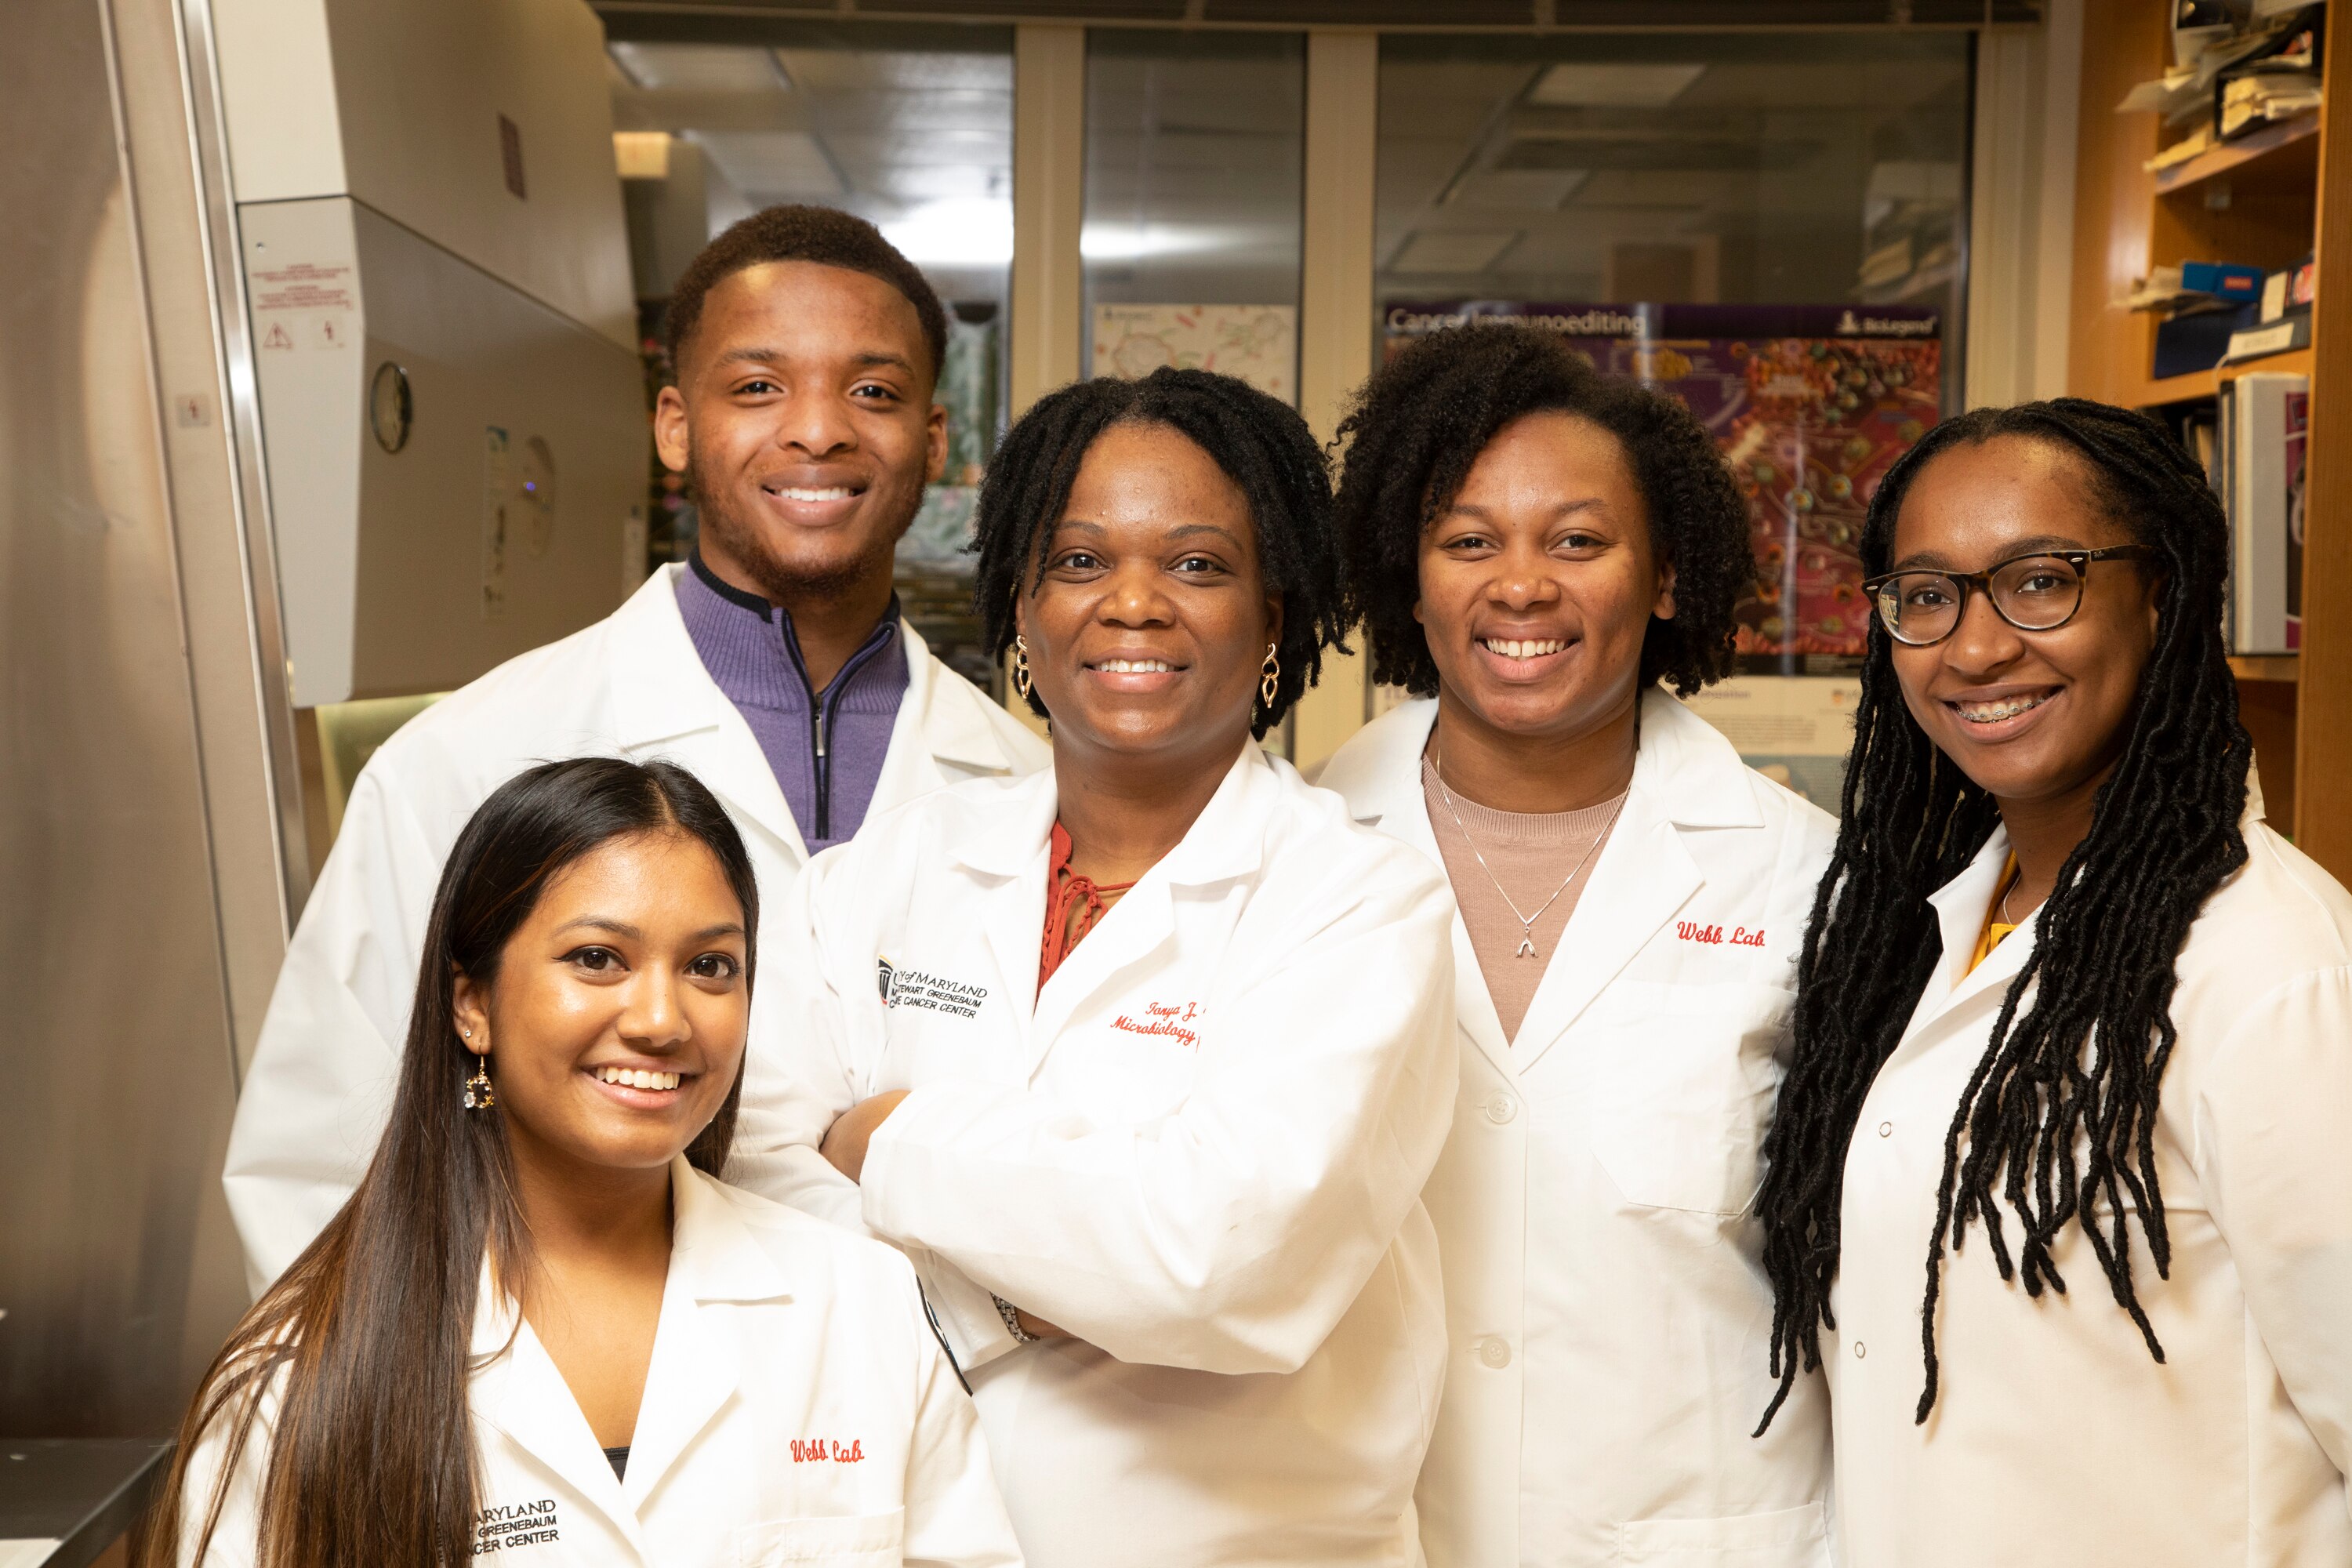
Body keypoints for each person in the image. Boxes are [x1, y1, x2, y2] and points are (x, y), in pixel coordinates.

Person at [224, 205, 1047, 1288]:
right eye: (757, 387)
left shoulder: (1028, 787)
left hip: (943, 1421)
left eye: (874, 391)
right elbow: (321, 1167)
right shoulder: (476, 757)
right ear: (673, 427)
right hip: (573, 1420)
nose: (817, 431)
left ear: (935, 443)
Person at [731, 367, 1458, 1568]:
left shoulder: (1358, 902)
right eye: (1078, 562)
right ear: (1020, 608)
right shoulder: (885, 871)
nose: (1133, 602)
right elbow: (754, 1181)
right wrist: (1023, 1287)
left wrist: (886, 1139)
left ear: (1275, 615)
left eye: (1197, 564)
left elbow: (1213, 1258)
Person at [143, 757, 1022, 1568]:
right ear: (472, 1002)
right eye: (597, 958)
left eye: (711, 965)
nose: (661, 1018)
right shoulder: (302, 1368)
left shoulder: (860, 1301)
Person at [1753, 399, 2352, 1565]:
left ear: (2162, 597)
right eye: (1927, 596)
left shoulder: (2274, 969)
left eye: (2041, 581)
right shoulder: (1923, 937)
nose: (1976, 649)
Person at [1315, 324, 1838, 1568]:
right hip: (1376, 1527)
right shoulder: (1302, 848)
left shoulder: (1808, 874)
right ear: (1412, 574)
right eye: (1469, 540)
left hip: (1698, 1530)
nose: (1522, 585)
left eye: (1579, 540)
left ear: (1663, 579)